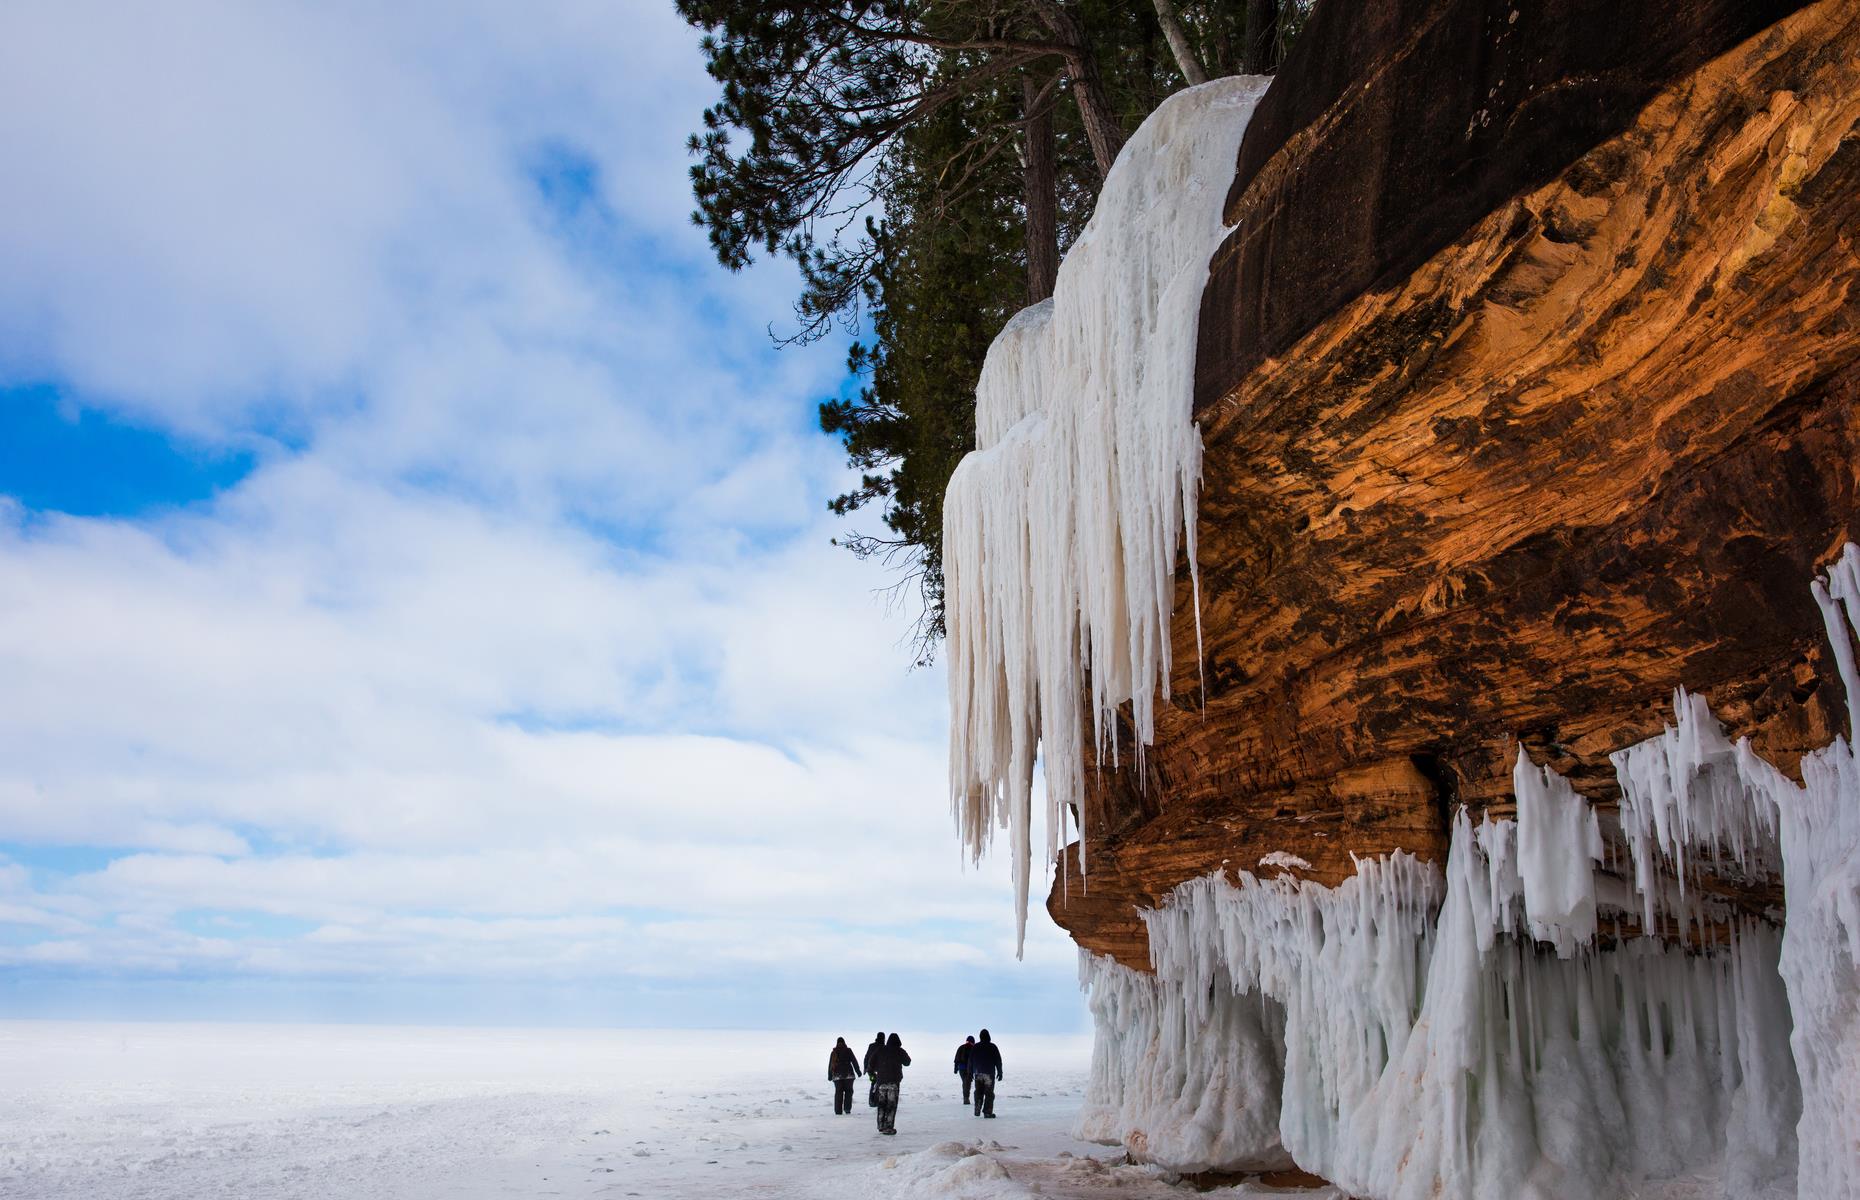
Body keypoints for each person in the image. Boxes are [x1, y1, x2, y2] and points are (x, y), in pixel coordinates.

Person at [867, 1031, 912, 1135]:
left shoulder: (880, 1050)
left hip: (881, 1082)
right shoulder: (899, 1051)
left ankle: (881, 1126)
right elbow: (908, 1062)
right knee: (891, 1105)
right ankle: (888, 1127)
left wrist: (872, 1074)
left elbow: (871, 1063)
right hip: (894, 1082)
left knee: (882, 1104)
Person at [969, 1028, 1003, 1118]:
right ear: (988, 1036)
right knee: (989, 1093)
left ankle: (977, 1108)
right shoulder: (993, 1047)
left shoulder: (975, 1047)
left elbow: (970, 1060)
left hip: (978, 1074)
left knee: (978, 1092)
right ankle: (987, 1112)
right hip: (989, 1074)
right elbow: (998, 1060)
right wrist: (1000, 1072)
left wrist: (970, 1072)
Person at [827, 1036, 862, 1115]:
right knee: (848, 1092)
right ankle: (847, 1109)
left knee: (838, 1092)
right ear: (844, 1042)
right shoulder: (848, 1050)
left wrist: (829, 1076)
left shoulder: (834, 1052)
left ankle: (838, 1111)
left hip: (837, 1076)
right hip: (848, 1075)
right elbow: (854, 1061)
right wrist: (858, 1071)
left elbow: (830, 1065)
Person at [863, 1031, 886, 1108]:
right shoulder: (884, 1047)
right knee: (881, 1085)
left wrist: (865, 1068)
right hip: (881, 1070)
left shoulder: (871, 1046)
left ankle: (872, 1101)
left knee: (873, 1083)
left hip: (871, 1070)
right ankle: (878, 1101)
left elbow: (866, 1057)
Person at [953, 1035, 976, 1104]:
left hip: (961, 1068)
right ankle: (966, 1098)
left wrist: (955, 1068)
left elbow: (956, 1059)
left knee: (965, 1082)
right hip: (969, 1069)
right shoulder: (973, 1048)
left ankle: (966, 1098)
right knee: (967, 1083)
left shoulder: (961, 1047)